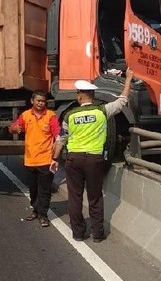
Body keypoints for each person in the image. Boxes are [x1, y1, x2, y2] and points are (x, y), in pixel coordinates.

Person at [50, 68, 134, 242]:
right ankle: (97, 234)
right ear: (93, 96)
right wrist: (128, 80)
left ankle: (78, 234)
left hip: (73, 159)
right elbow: (122, 101)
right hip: (94, 160)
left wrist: (54, 159)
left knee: (75, 197)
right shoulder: (102, 111)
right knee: (95, 197)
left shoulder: (69, 115)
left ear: (80, 96)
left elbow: (61, 139)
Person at [9, 90, 60, 228]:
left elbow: (57, 134)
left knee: (45, 189)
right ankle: (36, 210)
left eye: (43, 101)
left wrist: (56, 156)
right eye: (38, 100)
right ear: (32, 101)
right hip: (30, 160)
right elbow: (13, 127)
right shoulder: (26, 115)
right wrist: (15, 129)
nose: (40, 103)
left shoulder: (50, 116)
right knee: (33, 189)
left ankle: (43, 215)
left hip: (46, 160)